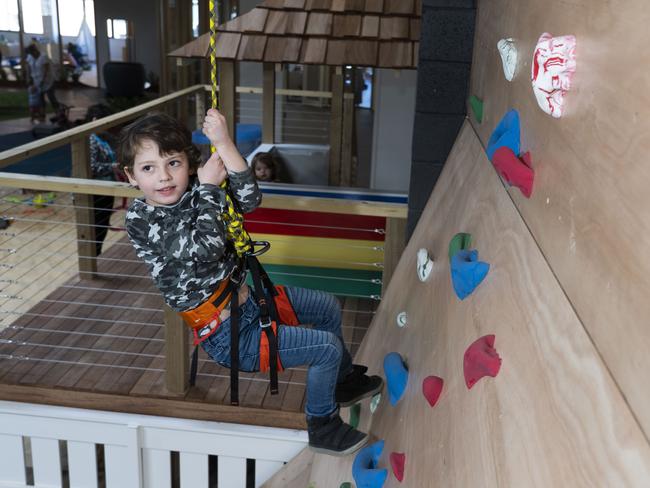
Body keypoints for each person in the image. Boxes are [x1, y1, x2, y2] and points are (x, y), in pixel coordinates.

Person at [120, 110, 383, 456]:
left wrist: (224, 144)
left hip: (251, 297)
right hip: (228, 333)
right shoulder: (142, 219)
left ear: (188, 162)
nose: (165, 177)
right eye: (149, 168)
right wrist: (210, 188)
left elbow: (248, 199)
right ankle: (323, 425)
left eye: (173, 163)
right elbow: (203, 249)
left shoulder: (198, 191)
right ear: (131, 176)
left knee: (326, 306)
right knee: (326, 349)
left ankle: (343, 382)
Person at [84, 104, 119, 255]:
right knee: (95, 227)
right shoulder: (90, 139)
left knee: (102, 225)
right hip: (95, 191)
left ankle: (96, 255)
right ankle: (92, 257)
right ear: (95, 120)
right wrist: (113, 166)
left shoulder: (103, 137)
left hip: (106, 188)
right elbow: (90, 167)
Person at [25, 44, 59, 114]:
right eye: (30, 53)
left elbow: (46, 70)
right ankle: (42, 113)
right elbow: (28, 67)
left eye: (32, 53)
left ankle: (58, 112)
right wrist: (28, 77)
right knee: (40, 98)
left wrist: (43, 80)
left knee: (51, 97)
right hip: (37, 80)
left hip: (48, 81)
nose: (32, 55)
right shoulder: (30, 57)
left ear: (35, 50)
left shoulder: (43, 57)